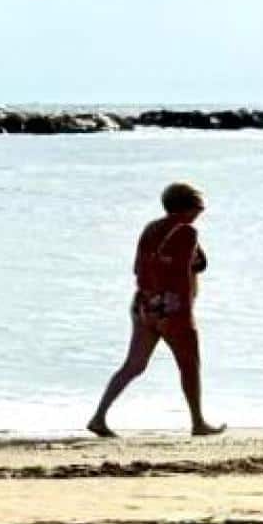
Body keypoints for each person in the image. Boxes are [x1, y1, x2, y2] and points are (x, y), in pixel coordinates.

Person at [88, 181, 220, 439]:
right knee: (189, 365)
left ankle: (99, 416)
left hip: (143, 304)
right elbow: (183, 272)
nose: (200, 212)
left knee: (134, 364)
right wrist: (183, 308)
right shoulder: (186, 232)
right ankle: (198, 422)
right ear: (188, 207)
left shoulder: (151, 228)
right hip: (173, 307)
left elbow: (138, 268)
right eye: (198, 207)